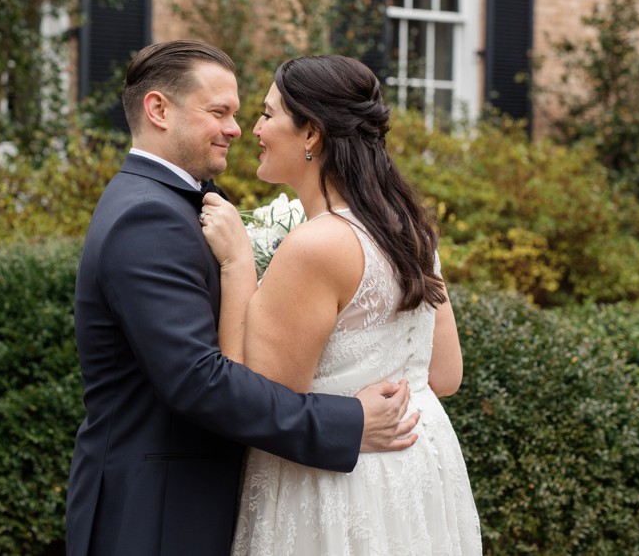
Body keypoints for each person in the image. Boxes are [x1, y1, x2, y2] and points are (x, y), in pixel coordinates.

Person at [65, 40, 422, 556]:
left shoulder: (188, 200)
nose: (237, 128)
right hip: (156, 512)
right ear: (158, 109)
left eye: (239, 112)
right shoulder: (146, 216)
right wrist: (348, 421)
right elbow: (197, 381)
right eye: (219, 112)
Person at [200, 54, 482, 555]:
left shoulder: (316, 245)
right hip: (416, 474)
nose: (254, 129)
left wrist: (238, 264)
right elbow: (444, 376)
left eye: (268, 114)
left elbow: (257, 400)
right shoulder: (409, 229)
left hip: (337, 483)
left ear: (311, 134)